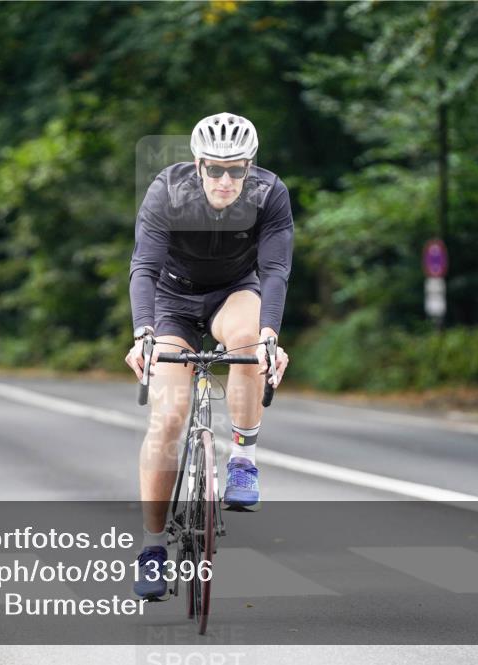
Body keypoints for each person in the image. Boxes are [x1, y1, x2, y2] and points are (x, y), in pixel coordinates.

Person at [124, 113, 291, 599]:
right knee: (169, 418)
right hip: (171, 300)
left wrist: (270, 335)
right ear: (196, 165)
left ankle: (243, 459)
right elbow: (143, 266)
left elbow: (276, 269)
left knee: (248, 345)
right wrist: (143, 334)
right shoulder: (167, 191)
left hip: (234, 292)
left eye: (236, 170)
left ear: (250, 167)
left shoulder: (270, 193)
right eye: (215, 169)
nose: (225, 180)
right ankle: (152, 549)